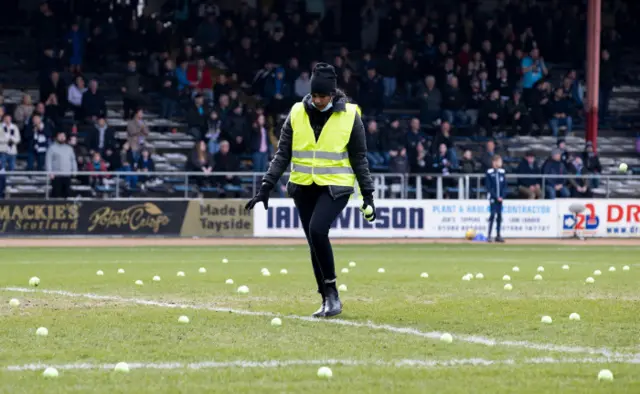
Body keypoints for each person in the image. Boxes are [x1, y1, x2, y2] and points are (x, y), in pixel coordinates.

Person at [244, 63, 375, 318]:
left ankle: (333, 294)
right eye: (314, 95)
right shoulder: (296, 112)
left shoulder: (350, 115)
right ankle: (326, 298)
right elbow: (283, 154)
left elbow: (359, 158)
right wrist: (265, 187)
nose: (317, 100)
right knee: (313, 242)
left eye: (323, 96)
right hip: (303, 187)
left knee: (317, 230)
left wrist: (368, 195)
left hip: (336, 187)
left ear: (333, 94)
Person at [46, 131, 77, 199]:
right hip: (56, 175)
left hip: (67, 175)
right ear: (57, 137)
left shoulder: (69, 148)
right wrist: (50, 172)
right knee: (56, 194)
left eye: (63, 136)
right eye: (60, 136)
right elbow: (48, 161)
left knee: (67, 194)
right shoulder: (52, 148)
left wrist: (74, 171)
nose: (62, 138)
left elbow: (73, 160)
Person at [485, 155, 506, 242]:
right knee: (492, 215)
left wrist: (502, 196)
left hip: (500, 199)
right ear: (494, 162)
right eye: (499, 161)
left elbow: (504, 186)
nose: (501, 163)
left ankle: (498, 235)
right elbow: (488, 187)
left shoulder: (502, 172)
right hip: (493, 198)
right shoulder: (489, 172)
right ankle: (489, 235)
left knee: (499, 216)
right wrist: (496, 196)